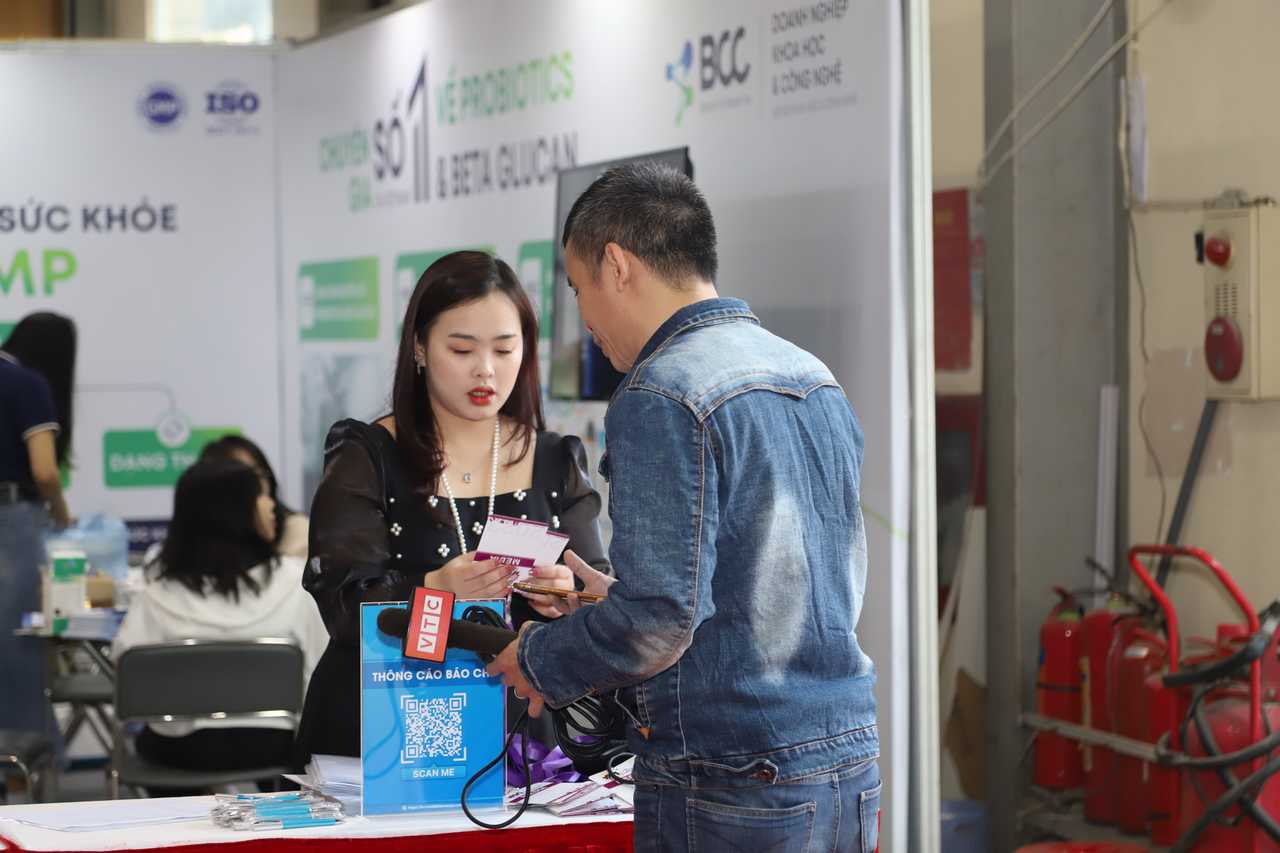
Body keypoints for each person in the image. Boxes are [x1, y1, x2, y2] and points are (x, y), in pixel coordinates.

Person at [487, 164, 881, 852]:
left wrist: (541, 657)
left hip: (731, 773)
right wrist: (610, 595)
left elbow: (660, 621)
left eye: (577, 289)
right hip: (845, 755)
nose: (585, 321)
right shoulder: (811, 374)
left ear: (617, 265)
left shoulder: (660, 392)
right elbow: (796, 583)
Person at [293, 250, 611, 765]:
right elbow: (346, 608)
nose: (485, 370)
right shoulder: (368, 455)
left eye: (504, 350)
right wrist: (435, 588)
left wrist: (566, 597)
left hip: (516, 735)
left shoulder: (555, 460)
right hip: (382, 728)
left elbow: (600, 594)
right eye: (462, 349)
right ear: (419, 347)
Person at [112, 459, 328, 792]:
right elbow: (320, 668)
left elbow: (125, 665)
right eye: (262, 495)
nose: (272, 505)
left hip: (179, 751)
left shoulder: (157, 594)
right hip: (273, 745)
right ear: (237, 510)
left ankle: (180, 823)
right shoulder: (296, 583)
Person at [0, 312, 76, 737]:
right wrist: (61, 511)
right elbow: (45, 472)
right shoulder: (27, 384)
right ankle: (23, 757)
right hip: (10, 521)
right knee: (17, 645)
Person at [199, 434, 309, 558]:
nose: (255, 486)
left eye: (259, 475)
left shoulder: (296, 531)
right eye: (241, 479)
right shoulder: (205, 537)